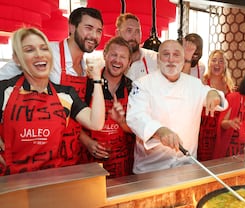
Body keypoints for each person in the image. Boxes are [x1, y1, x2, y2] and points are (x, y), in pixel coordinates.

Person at [0, 7, 104, 167]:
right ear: (71, 27)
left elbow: (79, 114)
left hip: (68, 152)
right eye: (88, 28)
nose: (94, 36)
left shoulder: (85, 67)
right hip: (31, 150)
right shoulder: (47, 52)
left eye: (99, 31)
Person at [126, 40, 228, 174]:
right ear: (158, 58)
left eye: (176, 55)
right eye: (166, 54)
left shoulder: (194, 84)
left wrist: (213, 93)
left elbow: (217, 98)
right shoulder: (143, 84)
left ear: (183, 58)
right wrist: (160, 131)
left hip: (186, 166)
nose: (171, 60)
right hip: (151, 169)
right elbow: (135, 116)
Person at [79, 37, 135, 178]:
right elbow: (70, 122)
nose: (117, 60)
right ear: (105, 55)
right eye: (113, 55)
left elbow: (137, 131)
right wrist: (87, 142)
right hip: (90, 163)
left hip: (122, 165)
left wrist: (122, 121)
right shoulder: (88, 84)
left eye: (123, 57)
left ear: (129, 62)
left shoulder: (133, 88)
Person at [197, 50, 235, 161]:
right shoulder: (202, 82)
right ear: (209, 63)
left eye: (221, 61)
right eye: (214, 60)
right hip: (204, 130)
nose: (217, 64)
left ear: (225, 65)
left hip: (222, 130)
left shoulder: (229, 85)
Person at [115, 13, 158, 81]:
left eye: (137, 31)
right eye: (129, 31)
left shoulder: (156, 60)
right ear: (118, 33)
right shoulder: (109, 62)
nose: (134, 35)